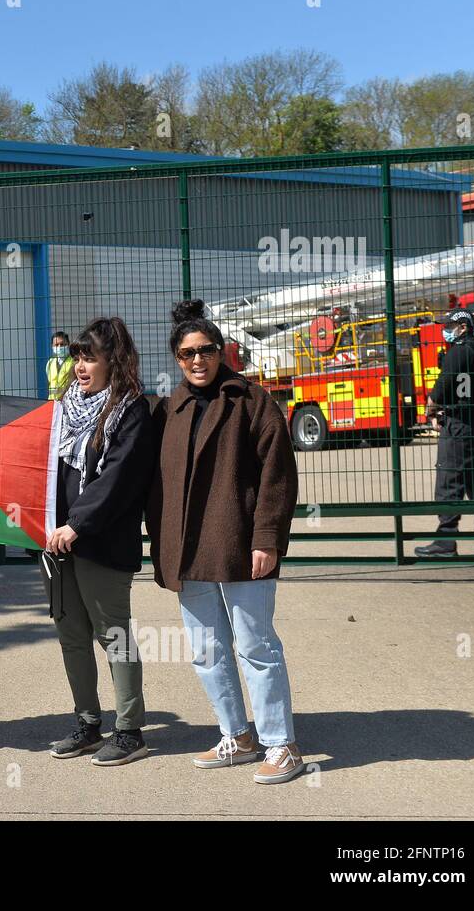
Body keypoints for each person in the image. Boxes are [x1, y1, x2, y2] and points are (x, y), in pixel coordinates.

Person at [147, 299, 304, 785]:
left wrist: (266, 538)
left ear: (222, 351)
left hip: (241, 544)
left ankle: (282, 744)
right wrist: (161, 543)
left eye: (207, 350)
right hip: (188, 551)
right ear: (176, 357)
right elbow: (155, 483)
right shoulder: (167, 409)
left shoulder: (251, 401)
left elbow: (278, 475)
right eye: (188, 352)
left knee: (256, 645)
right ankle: (236, 736)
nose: (198, 360)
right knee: (206, 650)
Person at [42, 317, 154, 766]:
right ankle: (88, 723)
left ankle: (130, 731)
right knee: (71, 633)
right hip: (55, 541)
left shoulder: (131, 410)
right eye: (77, 357)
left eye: (90, 357)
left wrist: (78, 525)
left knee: (114, 635)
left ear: (115, 360)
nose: (81, 367)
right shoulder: (63, 406)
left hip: (100, 542)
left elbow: (118, 479)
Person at [415, 307, 474, 557]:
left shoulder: (457, 352)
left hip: (457, 427)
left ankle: (445, 542)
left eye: (449, 326)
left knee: (448, 480)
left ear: (463, 327)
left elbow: (442, 386)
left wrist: (431, 410)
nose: (445, 331)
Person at [46, 330, 74, 400]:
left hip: (68, 401)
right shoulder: (50, 363)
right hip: (51, 401)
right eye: (56, 345)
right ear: (52, 346)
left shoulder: (74, 362)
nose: (59, 347)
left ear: (68, 345)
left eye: (62, 344)